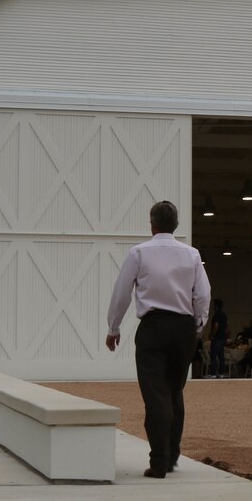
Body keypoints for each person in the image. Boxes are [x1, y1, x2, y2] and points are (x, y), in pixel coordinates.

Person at [105, 201, 210, 479]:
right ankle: (172, 454)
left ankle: (159, 461)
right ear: (175, 225)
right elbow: (202, 293)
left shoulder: (139, 253)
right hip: (184, 328)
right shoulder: (191, 254)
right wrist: (198, 322)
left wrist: (113, 328)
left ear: (152, 224)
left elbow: (121, 293)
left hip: (153, 327)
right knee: (174, 391)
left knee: (156, 394)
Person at [208, 299, 228, 378]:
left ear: (216, 306)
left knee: (213, 355)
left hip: (217, 337)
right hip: (223, 337)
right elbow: (226, 326)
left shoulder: (216, 315)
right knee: (221, 355)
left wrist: (212, 334)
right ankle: (221, 372)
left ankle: (213, 373)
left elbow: (216, 326)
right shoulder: (224, 315)